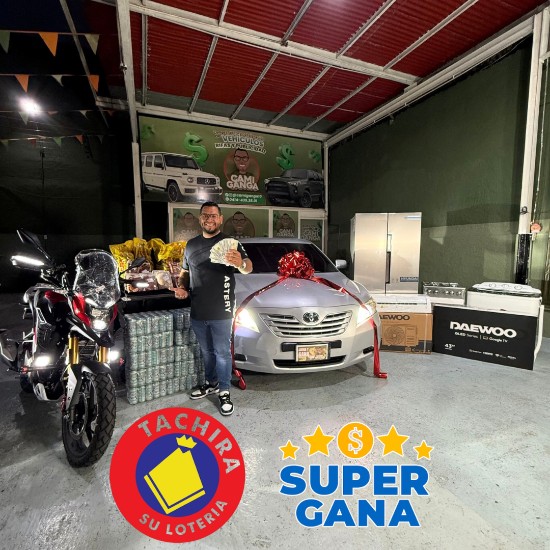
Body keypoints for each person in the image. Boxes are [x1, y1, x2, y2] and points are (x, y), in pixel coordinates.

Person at [172, 201, 253, 416]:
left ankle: (224, 391)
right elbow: (185, 273)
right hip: (198, 309)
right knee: (206, 352)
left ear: (220, 218)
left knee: (222, 353)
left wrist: (241, 263)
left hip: (222, 309)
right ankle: (211, 383)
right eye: (206, 215)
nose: (209, 219)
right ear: (200, 219)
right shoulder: (190, 245)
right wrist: (182, 288)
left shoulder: (231, 243)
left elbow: (248, 267)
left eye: (213, 215)